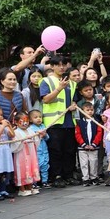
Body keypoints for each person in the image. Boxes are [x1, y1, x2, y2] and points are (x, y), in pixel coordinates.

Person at [39, 56, 77, 188]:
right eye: (58, 65)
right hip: (54, 122)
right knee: (55, 151)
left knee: (70, 150)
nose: (61, 67)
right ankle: (56, 176)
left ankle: (68, 175)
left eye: (63, 65)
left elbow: (74, 99)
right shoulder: (46, 81)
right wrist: (59, 88)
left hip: (69, 122)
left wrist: (74, 105)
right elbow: (45, 99)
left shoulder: (72, 83)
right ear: (52, 66)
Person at [74, 101, 103, 186]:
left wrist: (94, 144)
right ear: (82, 111)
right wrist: (83, 144)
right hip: (82, 148)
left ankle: (94, 177)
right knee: (84, 163)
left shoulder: (96, 121)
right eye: (87, 110)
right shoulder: (79, 123)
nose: (90, 111)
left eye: (91, 110)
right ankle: (85, 178)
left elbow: (99, 133)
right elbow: (77, 134)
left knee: (93, 162)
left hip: (94, 147)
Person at [12, 112, 41, 196]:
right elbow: (15, 145)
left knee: (31, 168)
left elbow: (36, 142)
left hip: (31, 153)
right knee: (22, 169)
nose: (25, 123)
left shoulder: (30, 130)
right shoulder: (16, 132)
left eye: (27, 121)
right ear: (16, 122)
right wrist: (23, 140)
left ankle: (30, 187)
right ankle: (22, 189)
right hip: (22, 154)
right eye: (22, 121)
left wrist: (37, 136)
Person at [27, 110, 49, 188]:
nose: (38, 119)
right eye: (35, 117)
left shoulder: (43, 126)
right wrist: (39, 136)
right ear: (30, 119)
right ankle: (34, 182)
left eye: (40, 117)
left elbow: (47, 138)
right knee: (36, 166)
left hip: (44, 149)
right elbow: (31, 139)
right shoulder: (30, 128)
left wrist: (45, 134)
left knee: (45, 165)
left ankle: (45, 181)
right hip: (36, 150)